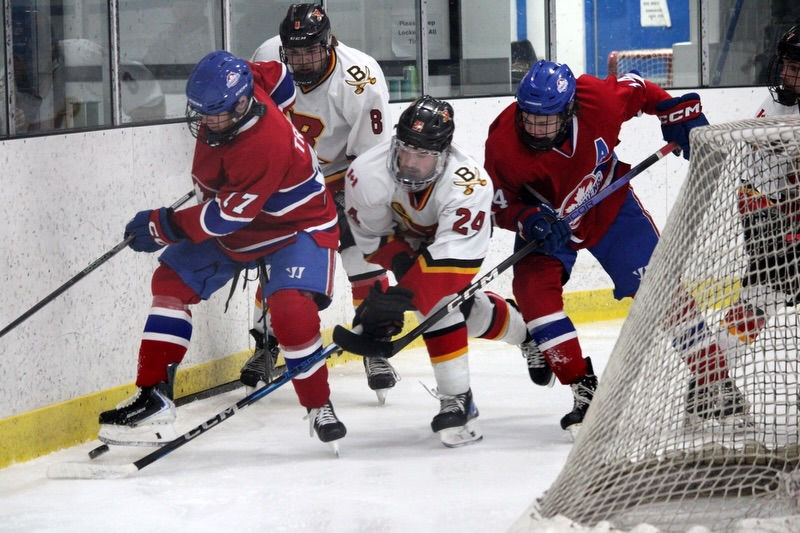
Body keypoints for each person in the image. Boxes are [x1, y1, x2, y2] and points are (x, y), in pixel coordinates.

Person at [97, 50, 346, 452]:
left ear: (244, 102)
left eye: (217, 114)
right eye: (202, 113)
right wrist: (285, 109)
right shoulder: (244, 79)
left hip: (295, 225)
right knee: (170, 281)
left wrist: (163, 226)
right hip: (242, 218)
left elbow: (224, 219)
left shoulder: (265, 145)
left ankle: (319, 405)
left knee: (289, 310)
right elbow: (281, 76)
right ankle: (155, 397)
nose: (208, 123)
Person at [483, 59, 743, 436]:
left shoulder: (598, 100)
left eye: (547, 120)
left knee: (662, 291)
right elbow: (497, 203)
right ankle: (583, 388)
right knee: (534, 299)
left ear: (570, 107)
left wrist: (672, 112)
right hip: (547, 225)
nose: (536, 130)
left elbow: (639, 90)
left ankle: (715, 381)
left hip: (609, 206)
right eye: (529, 118)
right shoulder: (503, 141)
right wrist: (526, 218)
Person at [343, 95, 529, 447]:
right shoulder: (366, 173)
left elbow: (448, 270)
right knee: (464, 312)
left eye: (423, 155)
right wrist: (400, 265)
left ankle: (459, 399)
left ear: (443, 154)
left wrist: (400, 301)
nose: (410, 163)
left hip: (452, 246)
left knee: (441, 302)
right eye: (406, 150)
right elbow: (371, 235)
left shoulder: (469, 185)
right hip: (407, 241)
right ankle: (522, 333)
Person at [245, 3, 395, 402]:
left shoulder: (360, 79)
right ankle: (266, 345)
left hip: (344, 177)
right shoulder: (265, 57)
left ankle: (375, 345)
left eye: (311, 51)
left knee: (362, 258)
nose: (303, 60)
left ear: (329, 42)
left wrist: (358, 206)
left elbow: (372, 157)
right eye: (294, 54)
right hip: (288, 181)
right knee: (281, 262)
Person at [720, 25, 800, 351]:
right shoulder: (783, 108)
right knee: (762, 296)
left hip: (771, 207)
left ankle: (712, 377)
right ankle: (712, 378)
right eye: (785, 65)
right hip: (770, 211)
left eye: (793, 68)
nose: (783, 73)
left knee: (760, 297)